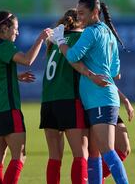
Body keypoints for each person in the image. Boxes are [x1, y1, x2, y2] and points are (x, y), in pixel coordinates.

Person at [51, 0, 129, 184]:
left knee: (108, 151)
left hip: (100, 99)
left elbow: (73, 56)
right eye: (78, 13)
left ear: (95, 12)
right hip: (100, 98)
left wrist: (60, 40)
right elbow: (115, 72)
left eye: (82, 13)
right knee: (94, 155)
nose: (79, 17)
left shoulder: (91, 32)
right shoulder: (108, 33)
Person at [0, 11, 51, 184]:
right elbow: (27, 60)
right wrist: (41, 38)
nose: (17, 33)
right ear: (4, 28)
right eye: (15, 28)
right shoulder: (4, 46)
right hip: (7, 109)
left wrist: (15, 77)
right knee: (19, 157)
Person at [40, 9, 89, 184]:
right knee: (81, 154)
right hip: (69, 98)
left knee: (54, 157)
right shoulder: (79, 39)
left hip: (48, 102)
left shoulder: (54, 42)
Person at [102, 89, 133, 183]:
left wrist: (125, 100)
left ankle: (94, 178)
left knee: (124, 148)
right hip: (93, 101)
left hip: (108, 101)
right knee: (97, 152)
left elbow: (108, 79)